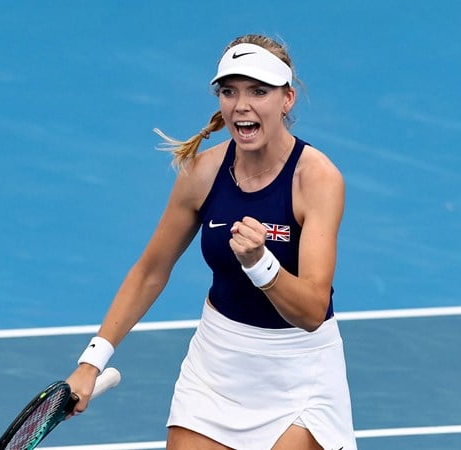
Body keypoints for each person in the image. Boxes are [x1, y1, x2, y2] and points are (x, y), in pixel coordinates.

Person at [66, 34, 357, 450]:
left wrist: (261, 265)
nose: (242, 105)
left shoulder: (317, 179)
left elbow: (312, 310)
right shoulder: (201, 174)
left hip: (300, 371)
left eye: (259, 91)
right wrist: (90, 363)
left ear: (287, 99)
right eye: (229, 91)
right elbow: (150, 270)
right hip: (218, 365)